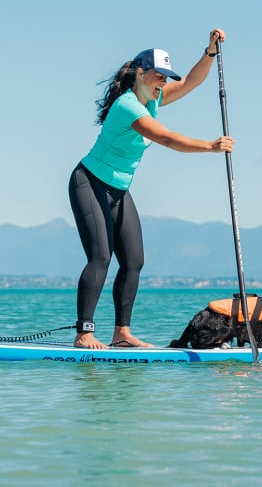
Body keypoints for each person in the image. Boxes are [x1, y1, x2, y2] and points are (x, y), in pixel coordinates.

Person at [68, 28, 234, 349]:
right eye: (159, 76)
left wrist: (210, 51)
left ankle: (122, 333)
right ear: (141, 73)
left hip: (118, 190)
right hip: (89, 182)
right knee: (100, 257)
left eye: (166, 77)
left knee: (134, 261)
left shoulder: (154, 99)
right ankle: (84, 333)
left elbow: (191, 82)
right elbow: (167, 138)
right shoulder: (128, 106)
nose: (163, 82)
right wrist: (210, 146)